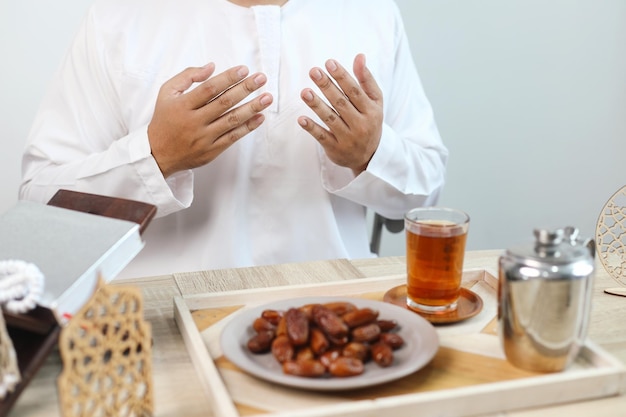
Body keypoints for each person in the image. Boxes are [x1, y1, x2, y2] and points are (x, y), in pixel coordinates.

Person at [19, 0, 448, 279]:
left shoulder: (371, 13)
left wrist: (372, 154)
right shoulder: (118, 18)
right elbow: (39, 204)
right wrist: (154, 157)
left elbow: (426, 195)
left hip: (338, 323)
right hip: (163, 328)